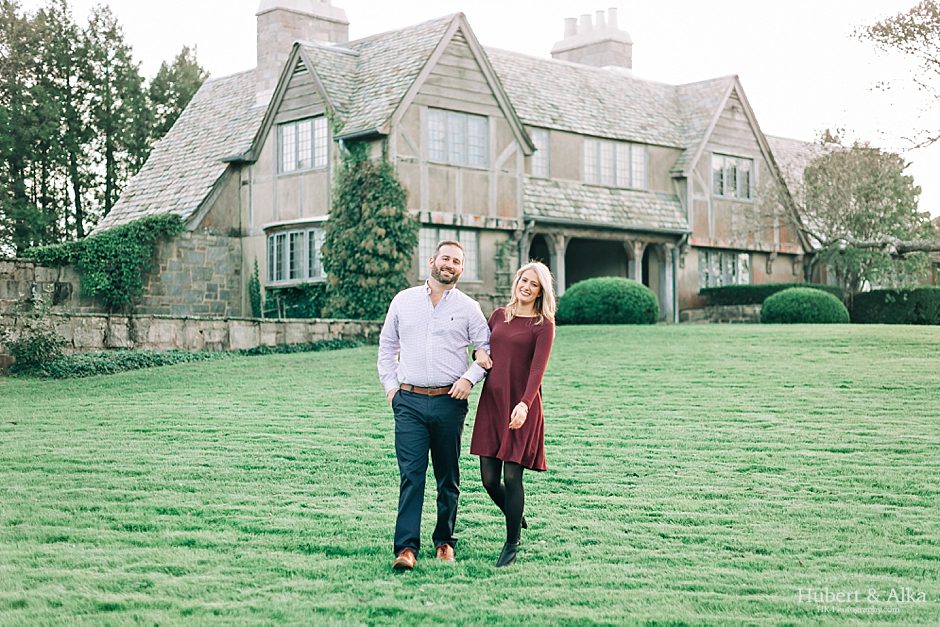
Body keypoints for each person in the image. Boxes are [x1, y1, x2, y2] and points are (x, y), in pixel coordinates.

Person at [377, 240, 490, 571]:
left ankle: (444, 541)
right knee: (411, 475)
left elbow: (485, 349)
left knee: (447, 475)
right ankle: (406, 548)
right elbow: (386, 347)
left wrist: (469, 379)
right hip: (408, 402)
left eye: (457, 261)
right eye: (445, 258)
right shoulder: (404, 301)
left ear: (461, 269)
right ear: (432, 261)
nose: (450, 265)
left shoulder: (469, 307)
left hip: (448, 403)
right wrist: (391, 389)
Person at [470, 261, 556, 567]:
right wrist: (477, 354)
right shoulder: (498, 316)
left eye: (534, 284)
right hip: (492, 403)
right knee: (489, 480)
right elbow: (483, 349)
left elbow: (537, 370)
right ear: (517, 281)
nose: (526, 286)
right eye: (524, 280)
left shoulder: (543, 325)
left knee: (511, 475)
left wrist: (525, 404)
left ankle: (511, 542)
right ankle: (515, 514)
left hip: (522, 405)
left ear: (540, 291)